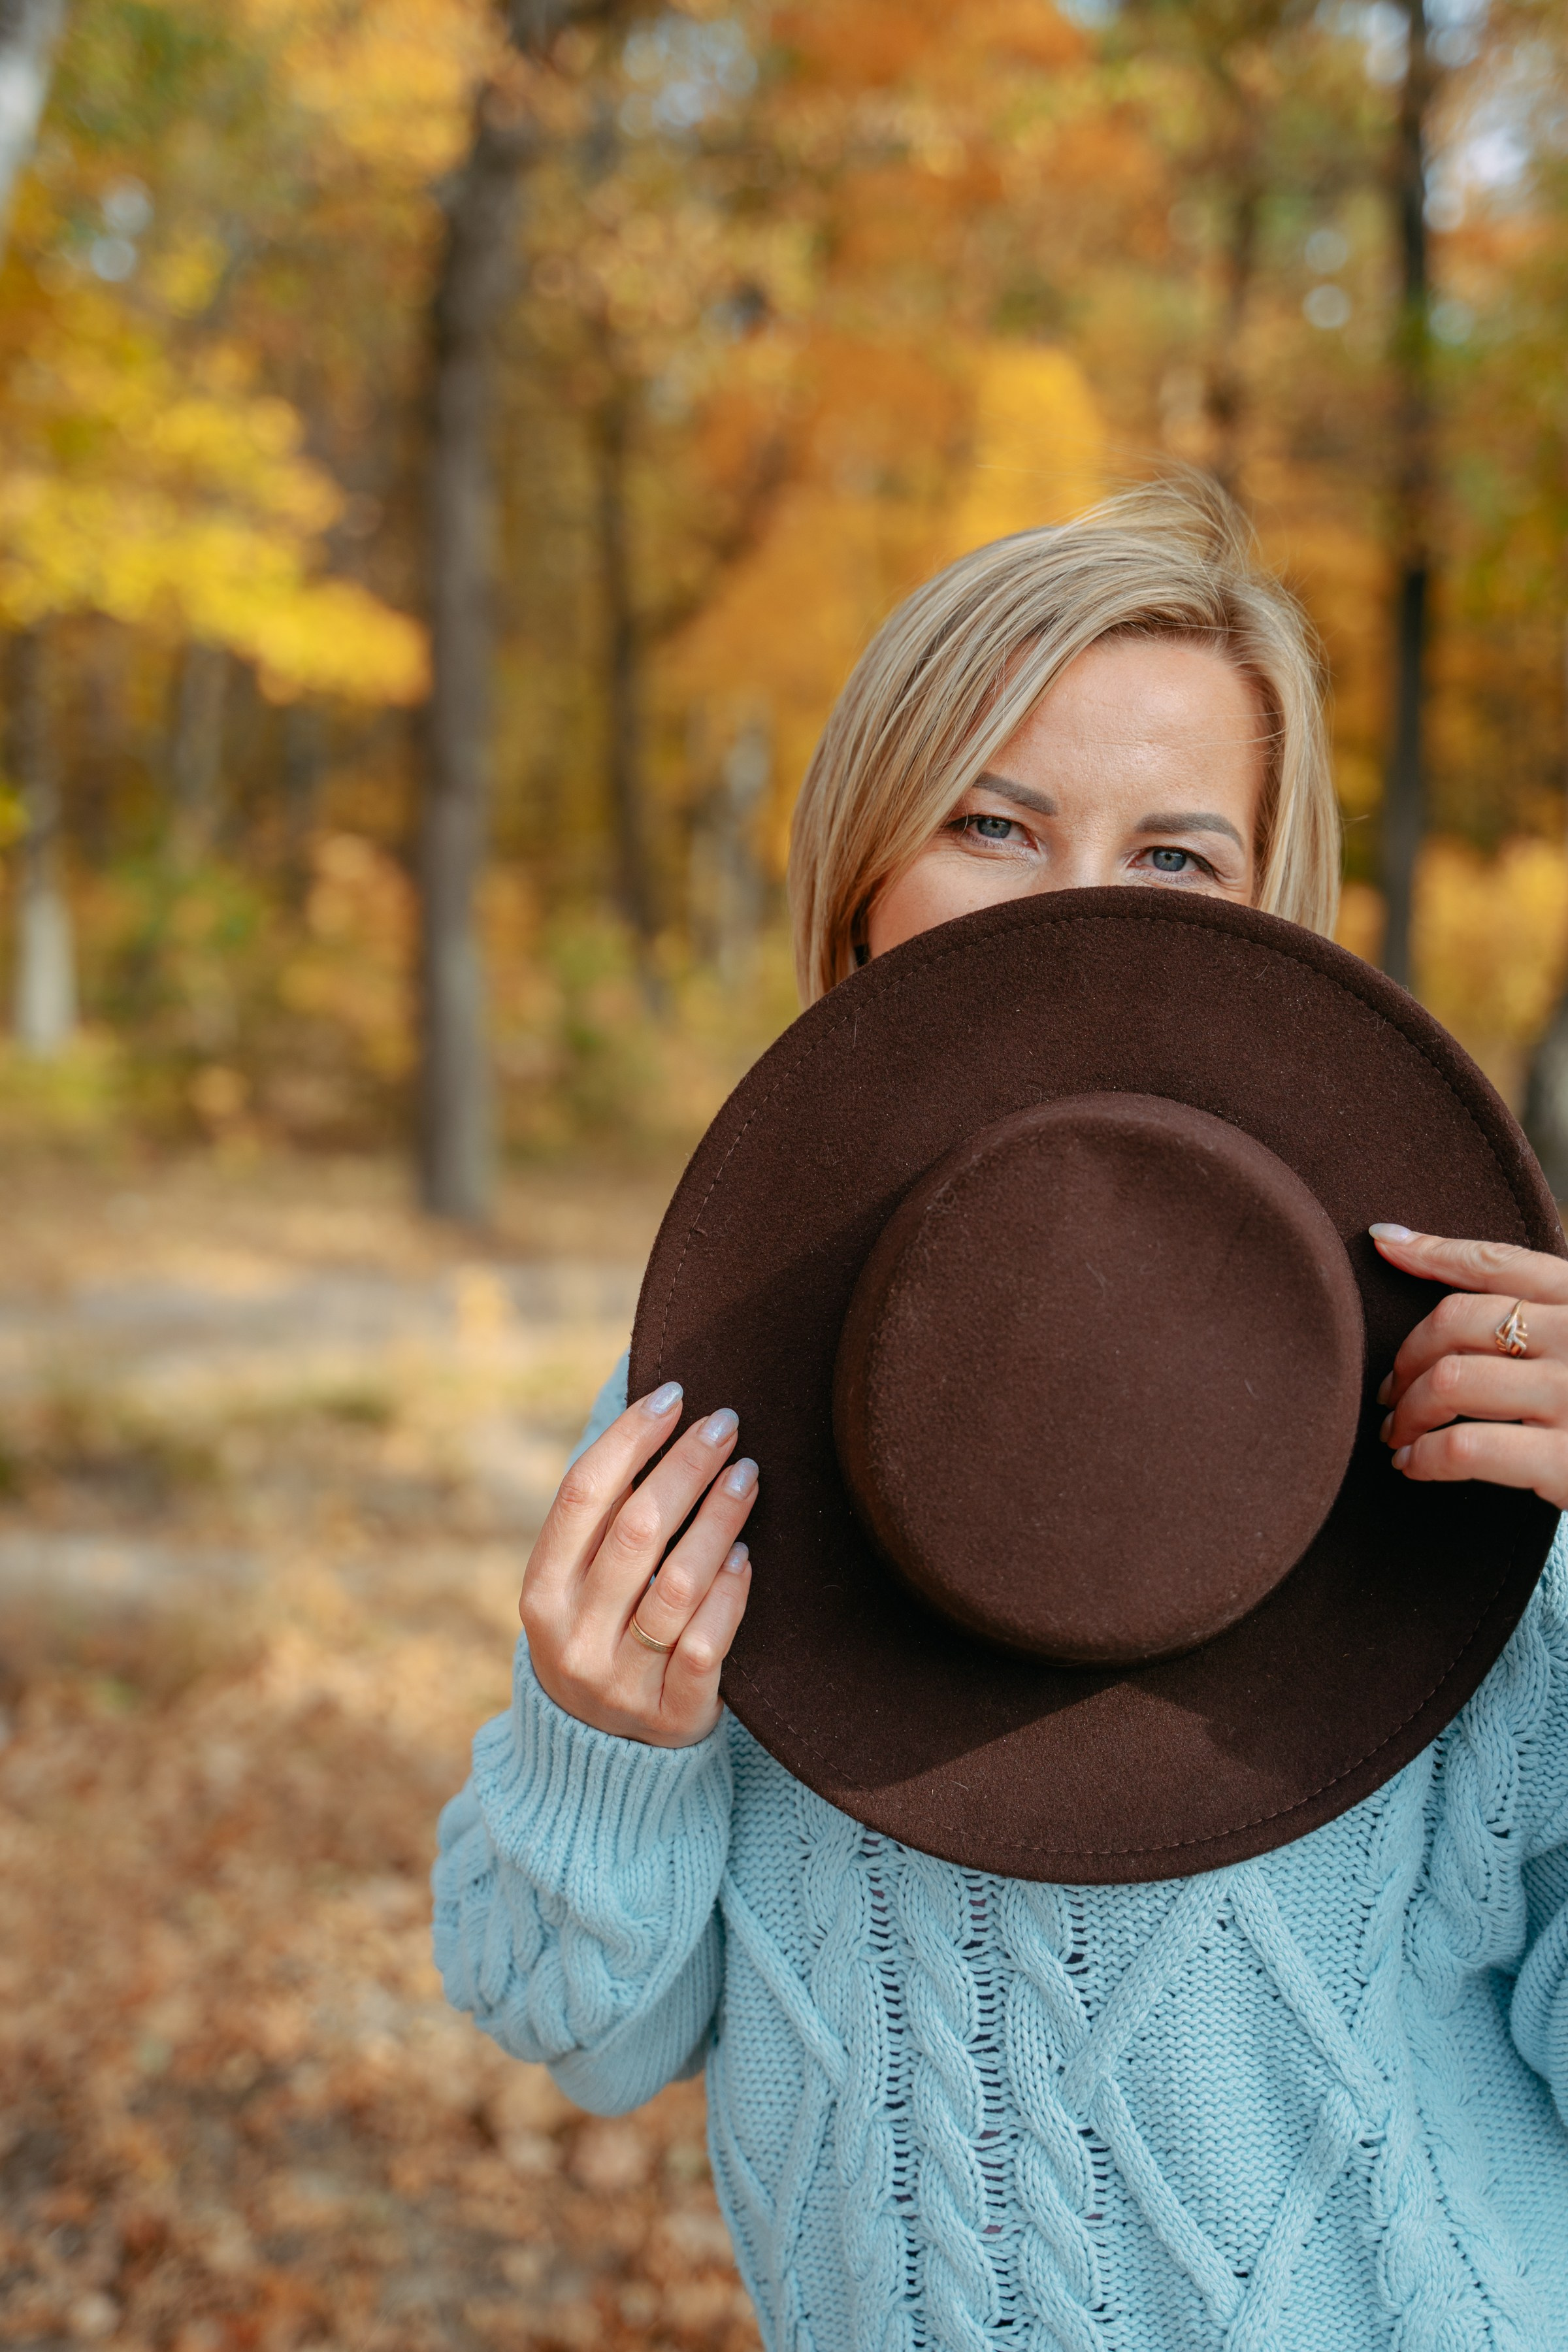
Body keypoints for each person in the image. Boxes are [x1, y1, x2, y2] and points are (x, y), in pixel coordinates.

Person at [433, 480, 1568, 2349]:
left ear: (1267, 918)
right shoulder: (723, 1388)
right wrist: (600, 1747)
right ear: (866, 881)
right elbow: (583, 2032)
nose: (1079, 909)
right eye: (994, 823)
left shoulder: (1463, 1402)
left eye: (1177, 855)